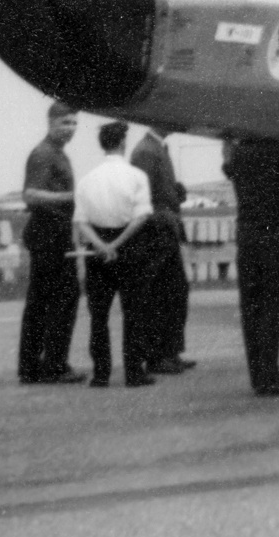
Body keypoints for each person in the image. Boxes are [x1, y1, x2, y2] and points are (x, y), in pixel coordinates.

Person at [73, 122, 156, 389]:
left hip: (98, 249)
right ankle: (134, 372)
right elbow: (140, 217)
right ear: (122, 143)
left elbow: (81, 221)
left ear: (102, 144)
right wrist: (117, 244)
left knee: (99, 316)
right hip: (129, 247)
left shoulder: (87, 179)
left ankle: (101, 374)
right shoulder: (136, 176)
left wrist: (101, 245)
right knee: (134, 312)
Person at [225, 138, 279, 396]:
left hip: (249, 238)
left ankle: (259, 376)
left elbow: (228, 168)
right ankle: (271, 376)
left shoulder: (239, 154)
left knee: (251, 310)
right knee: (272, 312)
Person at [17, 101, 86, 385]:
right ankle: (54, 366)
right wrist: (70, 198)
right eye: (65, 123)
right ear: (50, 123)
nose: (70, 129)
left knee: (40, 302)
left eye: (73, 124)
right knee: (62, 300)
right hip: (49, 233)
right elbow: (30, 195)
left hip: (52, 233)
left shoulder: (56, 153)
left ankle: (31, 367)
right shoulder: (44, 153)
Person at [129, 126, 194, 375]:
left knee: (175, 291)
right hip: (157, 231)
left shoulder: (156, 148)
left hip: (167, 229)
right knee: (160, 294)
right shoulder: (146, 150)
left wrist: (174, 195)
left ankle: (170, 352)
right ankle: (158, 357)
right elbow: (140, 194)